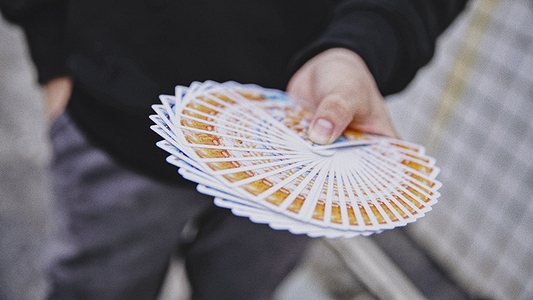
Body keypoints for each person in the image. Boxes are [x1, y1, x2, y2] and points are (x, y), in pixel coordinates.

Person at [0, 0, 468, 299]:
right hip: (116, 112)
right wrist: (50, 51)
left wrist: (359, 47)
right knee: (97, 289)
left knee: (245, 290)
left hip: (300, 151)